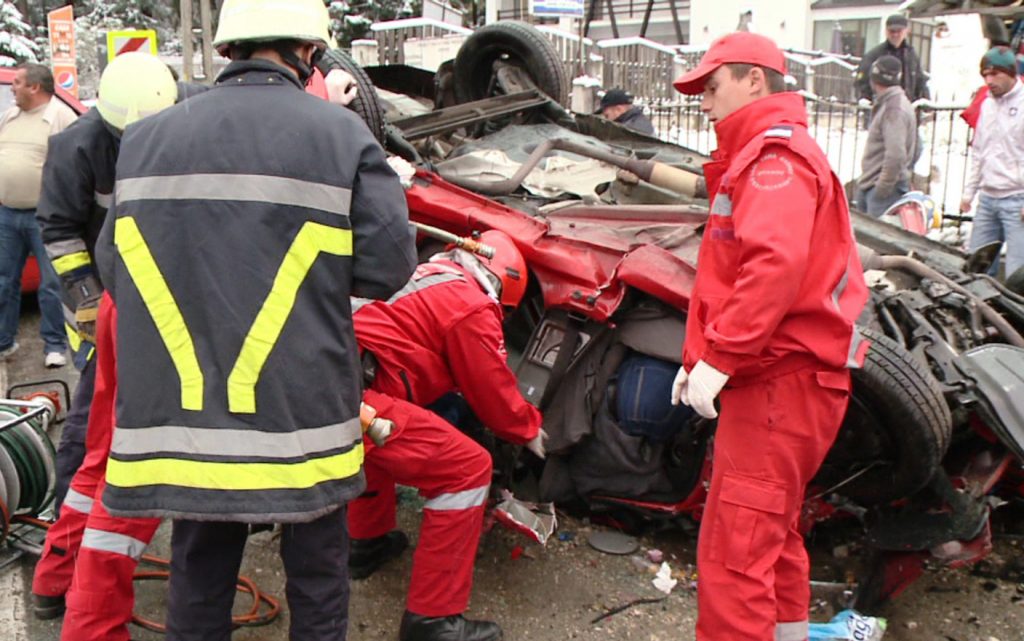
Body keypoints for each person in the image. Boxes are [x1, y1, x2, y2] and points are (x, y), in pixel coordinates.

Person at [92, 2, 417, 641]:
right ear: (308, 50)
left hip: (187, 424)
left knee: (198, 579)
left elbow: (114, 264)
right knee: (318, 584)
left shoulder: (147, 136)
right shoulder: (341, 134)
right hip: (298, 421)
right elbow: (388, 266)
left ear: (226, 49)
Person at [670, 32, 868, 641]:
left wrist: (719, 357)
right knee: (771, 536)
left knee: (735, 555)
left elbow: (772, 266)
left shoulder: (772, 158)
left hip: (779, 384)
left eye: (712, 85)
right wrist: (702, 357)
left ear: (755, 80)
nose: (702, 100)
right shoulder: (769, 154)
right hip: (790, 382)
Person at [348, 230, 545, 641]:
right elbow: (494, 395)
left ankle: (363, 545)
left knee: (383, 441)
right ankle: (433, 621)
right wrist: (530, 429)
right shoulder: (471, 306)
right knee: (467, 469)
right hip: (349, 394)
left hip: (330, 381)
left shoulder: (423, 273)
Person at [0, 63, 76, 366]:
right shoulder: (10, 116)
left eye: (17, 82)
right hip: (8, 213)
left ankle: (54, 345)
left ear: (34, 87)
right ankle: (4, 342)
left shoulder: (60, 117)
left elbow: (73, 167)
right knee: (4, 281)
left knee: (51, 283)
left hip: (45, 216)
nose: (12, 87)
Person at [960, 46, 1024, 280]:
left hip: (1018, 200)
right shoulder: (987, 105)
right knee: (976, 268)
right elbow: (979, 151)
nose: (989, 80)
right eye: (985, 75)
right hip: (988, 199)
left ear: (1010, 73)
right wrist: (969, 193)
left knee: (1018, 274)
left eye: (995, 74)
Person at [855, 55, 917, 216]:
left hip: (883, 192)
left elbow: (896, 155)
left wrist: (882, 188)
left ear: (874, 78)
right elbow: (918, 146)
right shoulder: (895, 104)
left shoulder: (893, 110)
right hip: (875, 186)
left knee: (872, 240)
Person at [855, 14, 929, 104]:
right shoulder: (874, 55)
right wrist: (866, 101)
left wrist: (925, 100)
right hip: (882, 108)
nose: (895, 34)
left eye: (899, 31)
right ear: (885, 31)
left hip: (906, 107)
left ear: (907, 31)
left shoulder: (911, 55)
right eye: (892, 31)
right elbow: (862, 82)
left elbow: (920, 81)